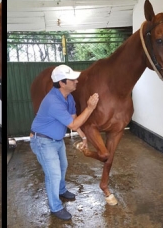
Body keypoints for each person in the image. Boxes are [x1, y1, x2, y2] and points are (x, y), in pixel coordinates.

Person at [29, 64, 99, 221]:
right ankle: (55, 207)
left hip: (56, 140)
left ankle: (61, 190)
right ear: (62, 83)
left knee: (63, 166)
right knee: (53, 174)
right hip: (42, 141)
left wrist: (84, 137)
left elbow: (74, 120)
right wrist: (90, 108)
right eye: (72, 79)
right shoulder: (53, 101)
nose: (76, 82)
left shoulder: (69, 98)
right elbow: (73, 125)